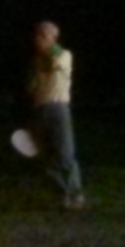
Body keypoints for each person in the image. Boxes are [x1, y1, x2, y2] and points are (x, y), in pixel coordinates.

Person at [28, 20, 85, 210]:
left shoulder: (63, 54)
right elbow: (32, 88)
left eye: (43, 36)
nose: (38, 39)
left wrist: (48, 49)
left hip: (58, 108)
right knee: (46, 156)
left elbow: (54, 63)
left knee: (65, 153)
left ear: (54, 38)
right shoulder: (36, 61)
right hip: (41, 109)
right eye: (38, 35)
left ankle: (75, 193)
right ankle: (62, 194)